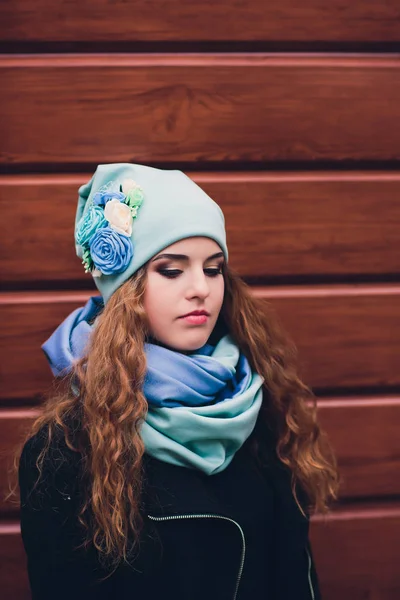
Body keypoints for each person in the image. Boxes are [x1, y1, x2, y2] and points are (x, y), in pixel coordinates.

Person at [17, 163, 339, 600]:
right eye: (172, 270)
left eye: (213, 269)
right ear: (125, 289)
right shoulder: (67, 447)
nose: (200, 288)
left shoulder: (260, 405)